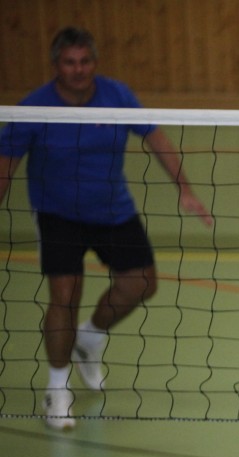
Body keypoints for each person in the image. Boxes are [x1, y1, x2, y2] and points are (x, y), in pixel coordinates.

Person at [0, 26, 213, 431]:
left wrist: (185, 188)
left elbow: (156, 138)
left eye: (85, 61)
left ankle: (90, 337)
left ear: (94, 63)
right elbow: (5, 164)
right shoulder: (34, 107)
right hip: (58, 214)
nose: (78, 70)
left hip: (112, 210)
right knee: (65, 295)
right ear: (56, 65)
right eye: (69, 62)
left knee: (142, 284)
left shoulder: (117, 96)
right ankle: (57, 389)